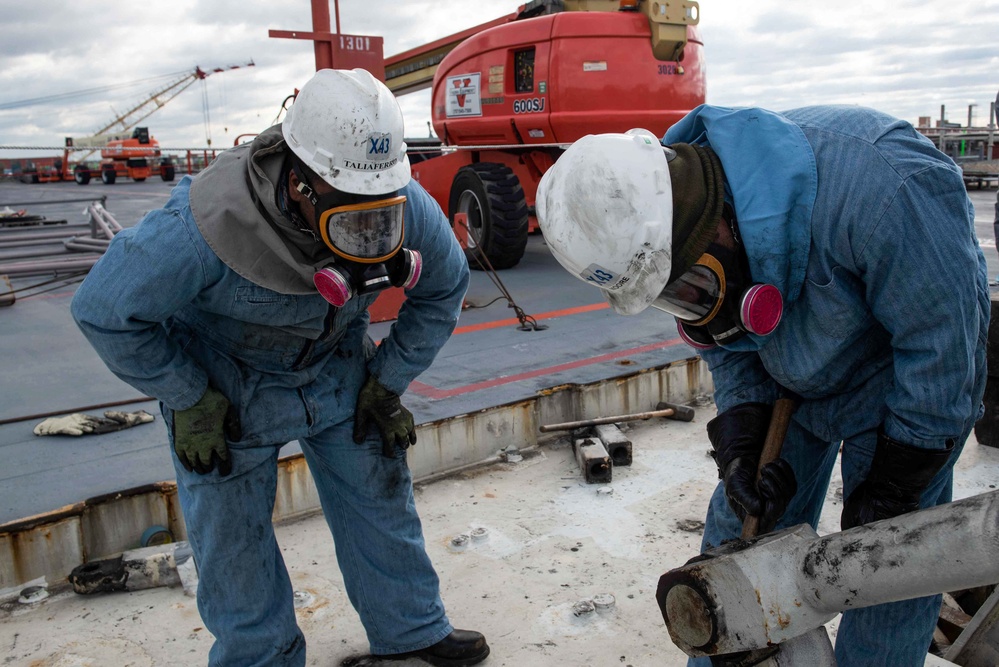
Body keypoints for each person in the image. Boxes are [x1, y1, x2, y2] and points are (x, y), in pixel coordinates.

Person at [535, 105, 989, 665]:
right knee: (733, 559)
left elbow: (944, 351)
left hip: (899, 386)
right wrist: (743, 433)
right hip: (788, 380)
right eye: (676, 296)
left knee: (892, 565)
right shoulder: (692, 247)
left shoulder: (888, 188)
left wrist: (900, 477)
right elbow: (720, 331)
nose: (693, 300)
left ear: (718, 217)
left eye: (695, 283)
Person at [71, 68, 489, 667]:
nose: (371, 224)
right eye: (352, 213)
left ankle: (412, 633)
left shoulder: (397, 199)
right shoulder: (202, 225)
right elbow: (105, 311)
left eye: (380, 210)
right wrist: (188, 395)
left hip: (340, 365)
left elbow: (444, 288)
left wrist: (388, 383)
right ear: (300, 181)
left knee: (380, 495)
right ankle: (260, 658)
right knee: (232, 540)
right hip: (226, 382)